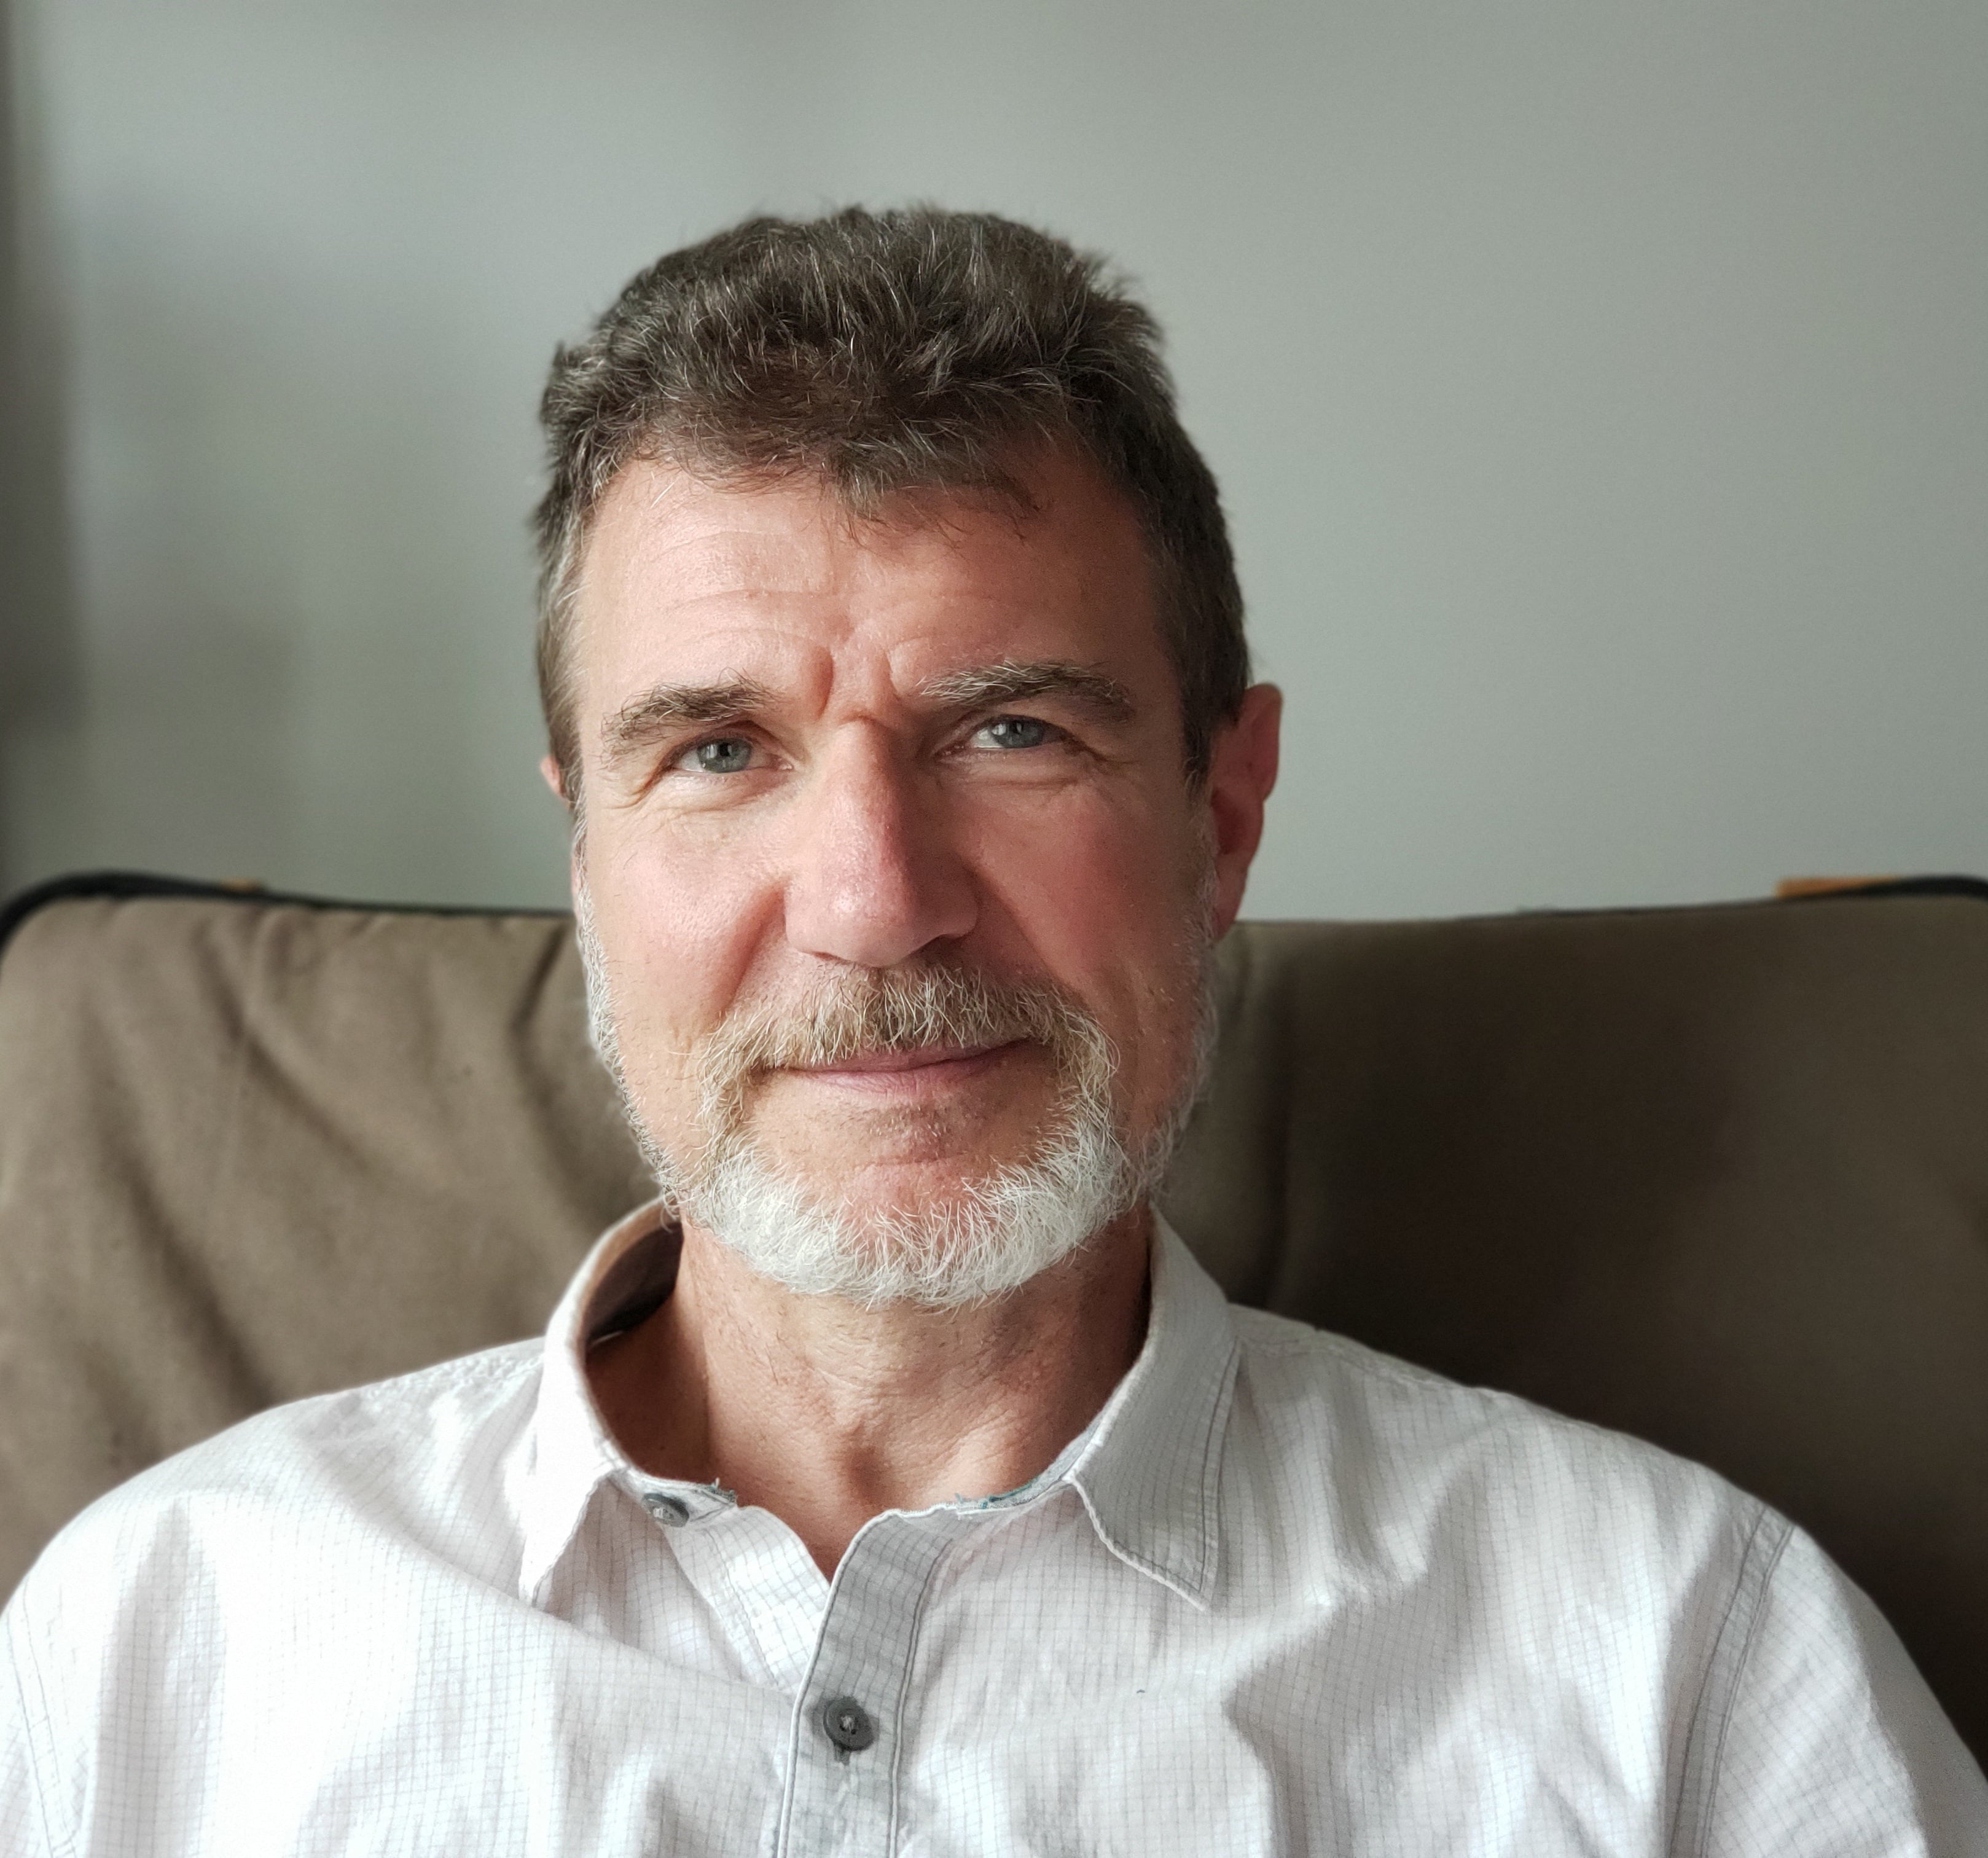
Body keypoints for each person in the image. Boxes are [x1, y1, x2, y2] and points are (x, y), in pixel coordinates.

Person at [2, 206, 1982, 1856]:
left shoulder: (1681, 1674)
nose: (874, 900)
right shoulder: (155, 1646)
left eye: (1012, 732)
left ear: (1219, 810)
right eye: (714, 750)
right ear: (588, 855)